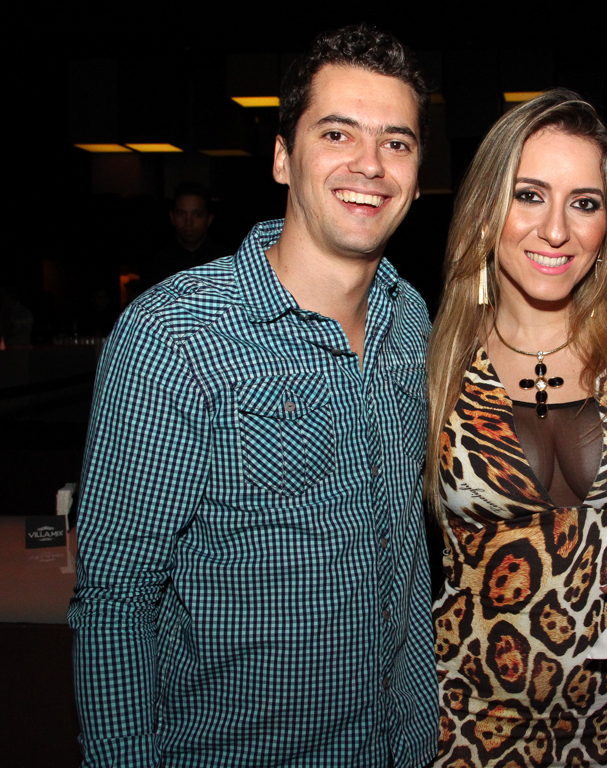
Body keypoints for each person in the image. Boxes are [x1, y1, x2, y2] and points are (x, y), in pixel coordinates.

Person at [69, 25, 437, 767]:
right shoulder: (173, 337)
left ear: (418, 174)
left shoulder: (411, 321)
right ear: (281, 157)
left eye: (396, 142)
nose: (370, 164)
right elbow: (114, 600)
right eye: (337, 133)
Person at [426, 89, 607, 768]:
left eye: (585, 203)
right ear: (486, 208)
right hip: (475, 714)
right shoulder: (436, 358)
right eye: (529, 195)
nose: (556, 230)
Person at [141, 182, 226, 290]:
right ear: (172, 217)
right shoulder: (156, 264)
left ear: (209, 219)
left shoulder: (225, 264)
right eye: (181, 213)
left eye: (197, 214)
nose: (188, 222)